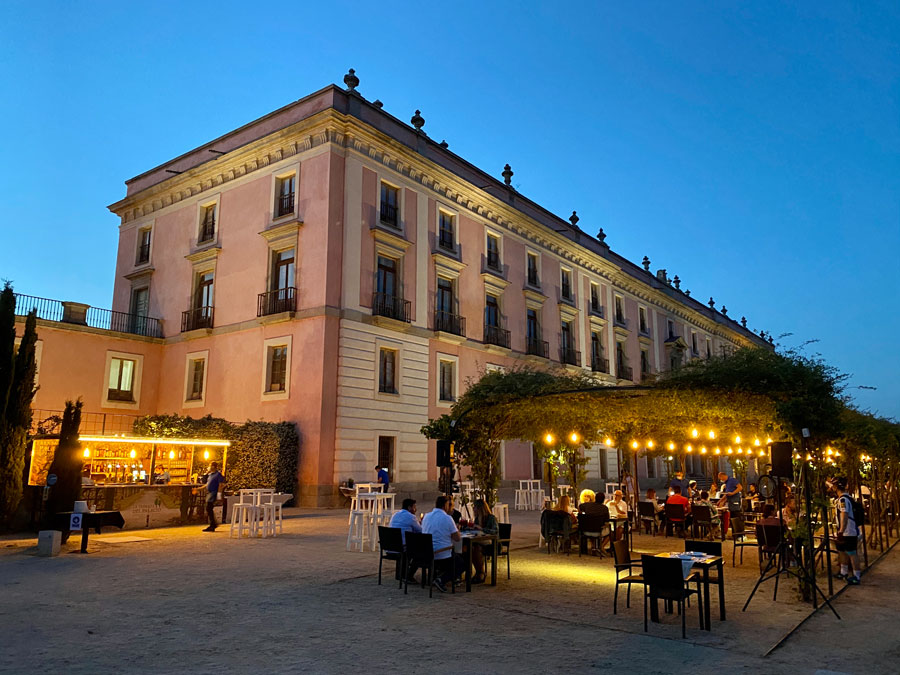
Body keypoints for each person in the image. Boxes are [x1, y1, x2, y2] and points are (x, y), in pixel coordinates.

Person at [421, 495, 464, 592]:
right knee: (461, 563)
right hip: (441, 554)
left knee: (455, 556)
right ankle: (441, 580)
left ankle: (438, 577)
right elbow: (457, 538)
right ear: (445, 505)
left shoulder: (426, 516)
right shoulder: (447, 518)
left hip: (427, 553)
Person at [832, 478, 862, 585]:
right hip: (846, 531)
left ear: (836, 487)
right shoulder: (847, 498)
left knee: (852, 553)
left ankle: (856, 576)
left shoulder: (843, 500)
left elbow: (844, 515)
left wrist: (841, 531)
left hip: (848, 531)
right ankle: (843, 572)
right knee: (842, 552)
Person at [388, 498, 422, 582]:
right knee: (420, 552)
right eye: (414, 507)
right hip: (402, 548)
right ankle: (409, 575)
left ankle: (401, 574)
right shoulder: (411, 517)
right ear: (409, 507)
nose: (415, 509)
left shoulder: (395, 515)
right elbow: (420, 531)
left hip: (390, 547)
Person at [469, 499, 499, 584]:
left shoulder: (491, 518)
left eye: (474, 507)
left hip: (491, 542)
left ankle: (480, 573)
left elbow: (495, 532)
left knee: (476, 547)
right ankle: (477, 572)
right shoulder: (477, 518)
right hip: (479, 540)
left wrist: (482, 529)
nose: (473, 509)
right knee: (471, 547)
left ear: (479, 508)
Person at [200, 462, 226, 532]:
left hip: (214, 492)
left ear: (214, 466)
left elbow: (220, 485)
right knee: (209, 508)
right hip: (210, 493)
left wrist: (219, 494)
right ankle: (213, 524)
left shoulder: (218, 475)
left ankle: (213, 524)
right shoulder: (210, 475)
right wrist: (198, 489)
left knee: (209, 507)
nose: (209, 467)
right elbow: (207, 484)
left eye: (210, 465)